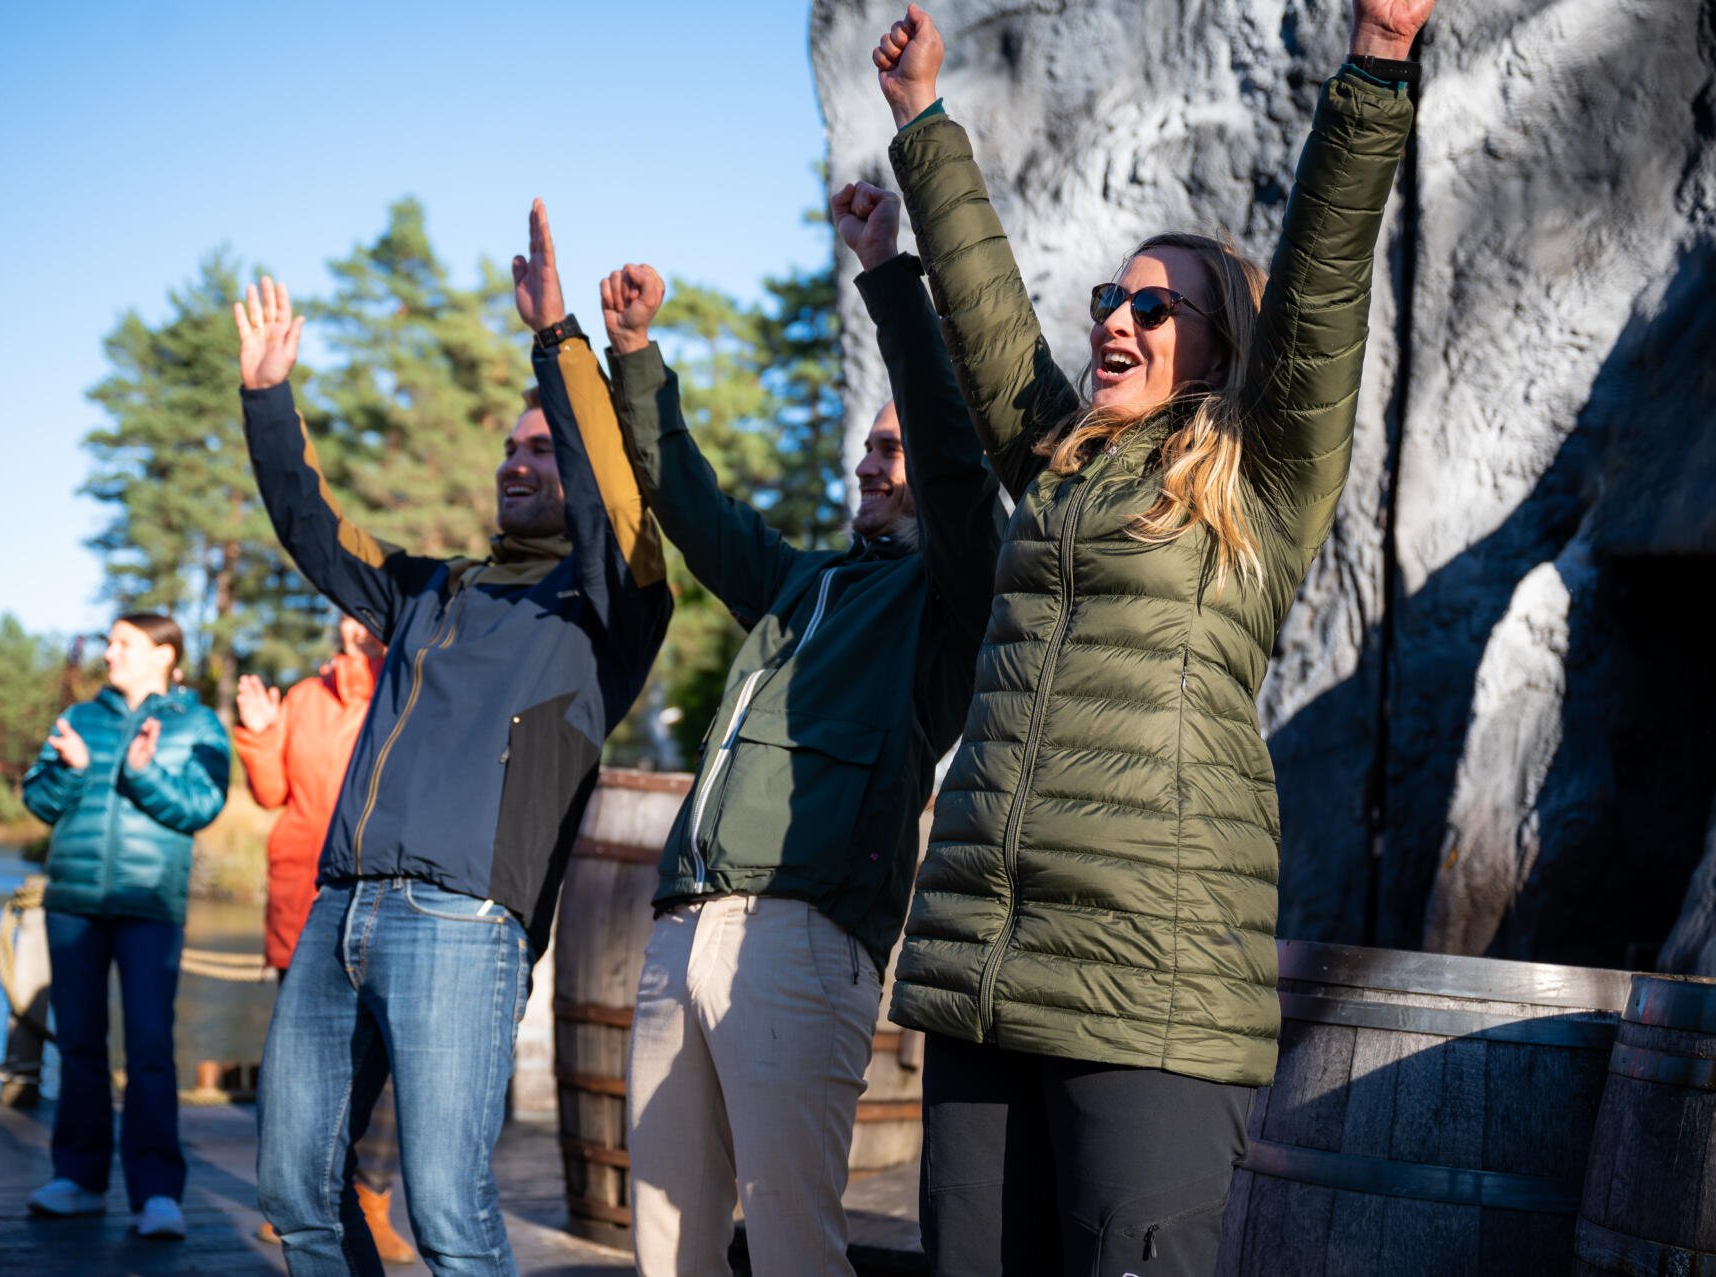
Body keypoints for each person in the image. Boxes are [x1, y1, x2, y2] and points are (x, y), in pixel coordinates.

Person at [869, 1, 1434, 1271]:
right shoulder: (1062, 469)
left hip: (1152, 994)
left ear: (1221, 347)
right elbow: (987, 318)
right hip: (986, 975)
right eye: (1112, 295)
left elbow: (1328, 283)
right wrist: (921, 120)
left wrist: (1377, 65)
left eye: (1157, 307)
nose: (1118, 317)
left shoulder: (1260, 479)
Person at [241, 199, 671, 1276]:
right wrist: (266, 397)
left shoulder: (609, 612)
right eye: (511, 448)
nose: (519, 462)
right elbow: (309, 523)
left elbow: (612, 497)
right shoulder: (429, 590)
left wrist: (556, 338)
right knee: (297, 1192)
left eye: (543, 449)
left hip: (457, 925)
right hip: (339, 912)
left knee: (445, 1210)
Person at [596, 178, 1004, 1276]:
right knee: (667, 1248)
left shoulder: (956, 599)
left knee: (790, 1252)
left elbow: (961, 475)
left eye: (893, 449)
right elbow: (695, 505)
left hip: (804, 938)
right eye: (867, 451)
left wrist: (886, 274)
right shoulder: (802, 582)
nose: (871, 464)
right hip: (681, 929)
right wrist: (636, 356)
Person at [20, 613, 231, 1241]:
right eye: (109, 642)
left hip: (149, 906)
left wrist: (143, 773)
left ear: (165, 654)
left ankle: (158, 1193)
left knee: (148, 1049)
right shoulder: (81, 719)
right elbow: (38, 800)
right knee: (80, 1045)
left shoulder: (196, 724)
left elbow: (201, 806)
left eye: (124, 644)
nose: (109, 653)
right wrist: (72, 769)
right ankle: (79, 1181)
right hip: (74, 903)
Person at [235, 615, 413, 1264]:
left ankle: (371, 1200)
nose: (353, 619)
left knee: (385, 1071)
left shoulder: (410, 683)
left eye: (365, 606)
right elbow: (270, 791)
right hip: (301, 898)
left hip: (383, 897)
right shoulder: (305, 698)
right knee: (299, 1064)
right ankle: (304, 1194)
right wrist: (258, 734)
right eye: (343, 605)